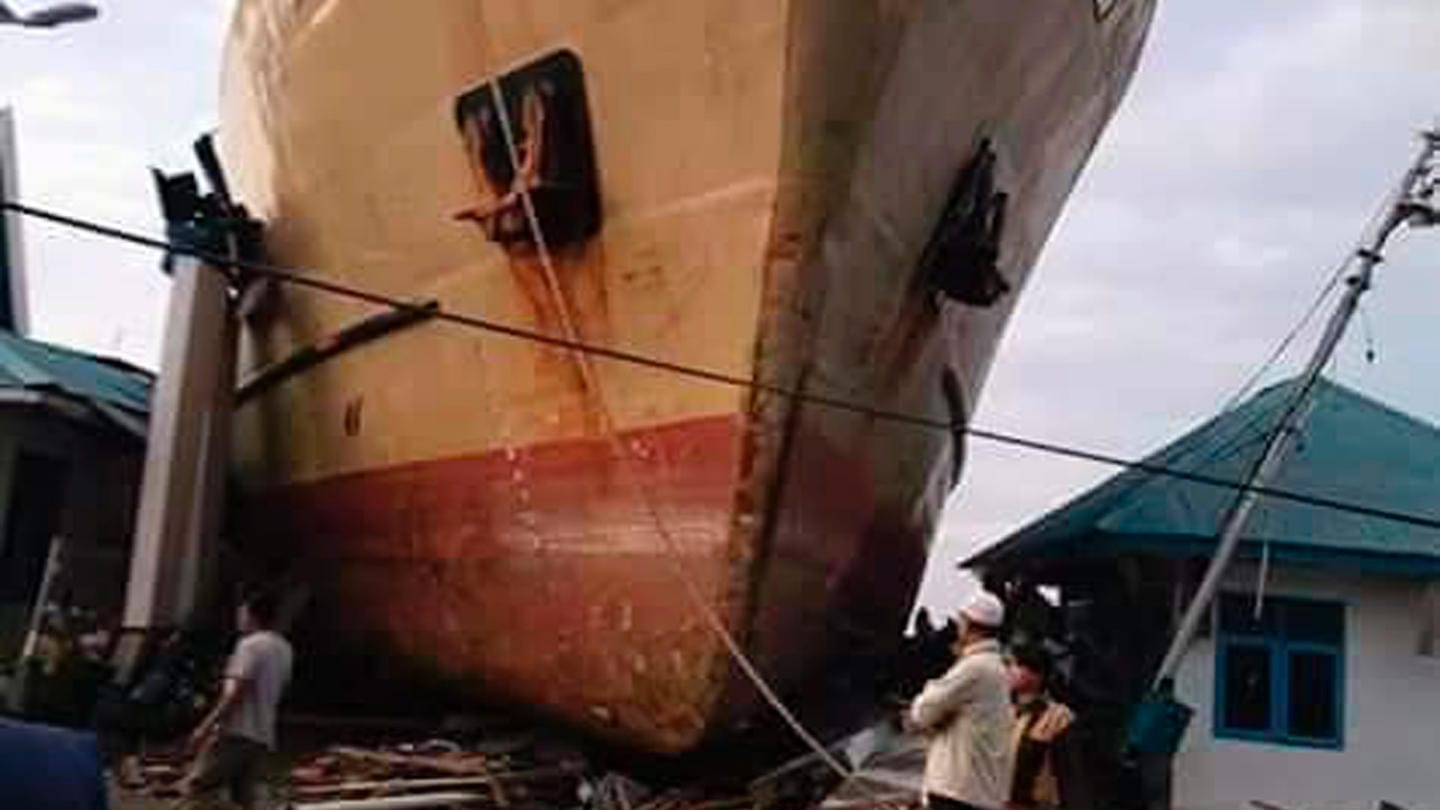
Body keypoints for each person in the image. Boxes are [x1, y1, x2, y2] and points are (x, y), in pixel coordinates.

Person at [184, 591, 293, 809]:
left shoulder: (249, 645)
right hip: (263, 737)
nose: (238, 619)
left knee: (197, 788)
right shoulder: (284, 648)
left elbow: (236, 693)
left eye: (241, 614)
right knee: (243, 800)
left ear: (252, 616)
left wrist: (204, 727)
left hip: (236, 733)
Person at [907, 592, 1015, 810]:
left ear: (970, 624)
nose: (958, 625)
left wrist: (928, 693)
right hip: (978, 792)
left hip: (958, 792)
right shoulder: (996, 666)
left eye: (961, 619)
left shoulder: (974, 668)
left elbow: (922, 712)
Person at [1007, 645, 1076, 810]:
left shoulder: (1059, 716)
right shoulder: (1003, 708)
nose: (1008, 670)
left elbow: (1068, 774)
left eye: (1015, 665)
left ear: (1037, 674)